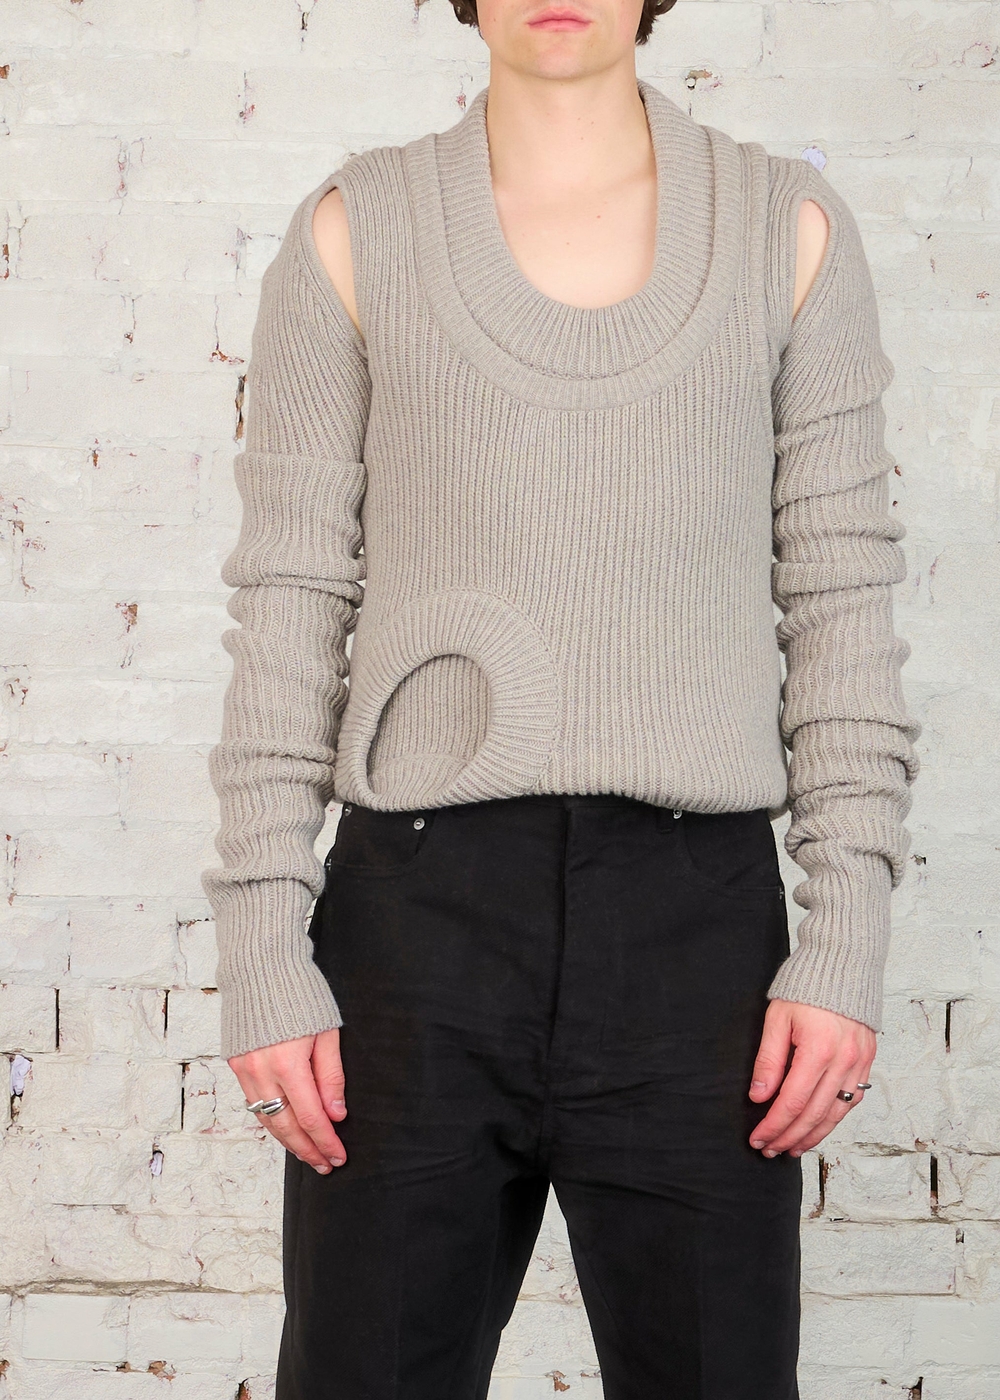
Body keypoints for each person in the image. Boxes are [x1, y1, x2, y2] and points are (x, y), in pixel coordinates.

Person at [201, 1, 921, 1395]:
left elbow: (842, 598)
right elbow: (292, 601)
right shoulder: (357, 232)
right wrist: (262, 950)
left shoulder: (786, 231)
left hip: (697, 933)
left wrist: (845, 943)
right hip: (415, 926)